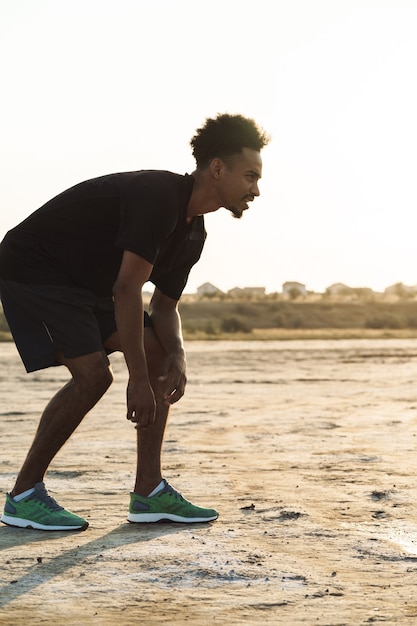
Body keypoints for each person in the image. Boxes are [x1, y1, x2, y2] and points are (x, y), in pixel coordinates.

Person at [0, 113, 269, 531]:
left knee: (160, 352)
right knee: (94, 376)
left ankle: (149, 491)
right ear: (218, 168)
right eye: (250, 176)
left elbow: (163, 307)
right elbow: (128, 290)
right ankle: (23, 495)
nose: (256, 190)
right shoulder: (159, 196)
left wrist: (178, 356)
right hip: (36, 268)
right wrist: (138, 381)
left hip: (90, 282)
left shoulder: (193, 233)